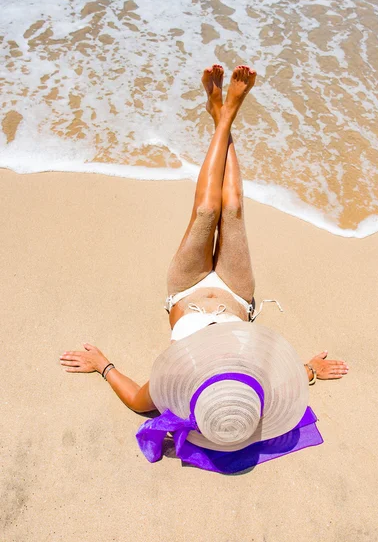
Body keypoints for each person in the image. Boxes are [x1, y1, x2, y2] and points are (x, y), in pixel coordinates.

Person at [60, 65, 348, 473]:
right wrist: (313, 371)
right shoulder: (264, 386)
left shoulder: (172, 392)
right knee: (231, 210)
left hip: (186, 290)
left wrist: (102, 365)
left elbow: (135, 400)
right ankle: (226, 115)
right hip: (234, 294)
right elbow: (296, 376)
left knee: (205, 210)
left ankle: (222, 114)